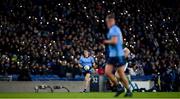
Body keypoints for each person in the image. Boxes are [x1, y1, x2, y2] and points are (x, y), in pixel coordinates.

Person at [102, 13, 132, 97]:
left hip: (119, 57)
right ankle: (119, 87)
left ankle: (128, 90)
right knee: (107, 72)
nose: (107, 24)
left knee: (119, 75)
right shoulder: (112, 30)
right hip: (113, 56)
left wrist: (105, 41)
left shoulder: (114, 30)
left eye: (108, 22)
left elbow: (127, 50)